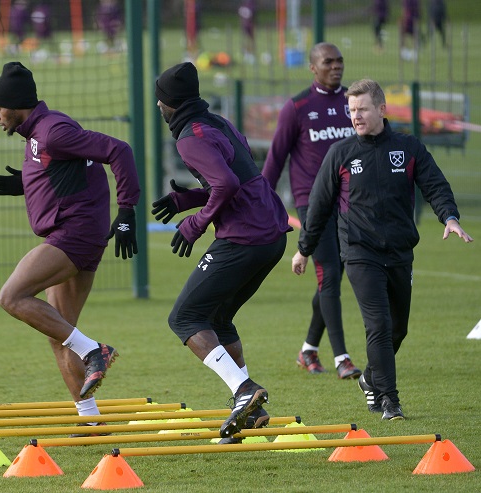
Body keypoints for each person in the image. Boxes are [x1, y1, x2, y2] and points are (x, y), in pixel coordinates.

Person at [291, 78, 473, 420]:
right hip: (360, 253)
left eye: (362, 109)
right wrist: (304, 249)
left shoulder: (408, 148)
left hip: (400, 253)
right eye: (351, 110)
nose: (356, 116)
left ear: (382, 110)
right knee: (378, 324)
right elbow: (318, 206)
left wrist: (449, 216)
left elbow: (435, 184)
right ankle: (389, 401)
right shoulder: (341, 153)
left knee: (397, 329)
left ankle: (371, 380)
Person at [0, 62, 140, 435]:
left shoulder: (53, 130)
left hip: (72, 235)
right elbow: (68, 172)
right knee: (58, 332)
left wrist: (127, 212)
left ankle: (93, 350)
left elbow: (118, 150)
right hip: (76, 234)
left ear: (15, 105)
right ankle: (90, 421)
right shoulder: (39, 132)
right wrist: (25, 184)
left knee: (11, 296)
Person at [152, 62, 292, 443]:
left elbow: (226, 183)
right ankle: (250, 408)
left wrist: (196, 223)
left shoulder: (188, 138)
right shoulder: (217, 123)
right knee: (219, 317)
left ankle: (245, 391)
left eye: (159, 100)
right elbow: (239, 177)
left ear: (168, 103)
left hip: (245, 237)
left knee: (184, 318)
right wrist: (187, 198)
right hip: (272, 234)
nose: (159, 107)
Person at [261, 42, 361, 380]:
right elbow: (275, 159)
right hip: (311, 203)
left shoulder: (353, 102)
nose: (336, 66)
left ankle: (308, 350)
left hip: (349, 203)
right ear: (313, 68)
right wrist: (260, 202)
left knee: (333, 278)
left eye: (340, 61)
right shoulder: (298, 106)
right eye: (328, 62)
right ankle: (343, 358)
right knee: (329, 274)